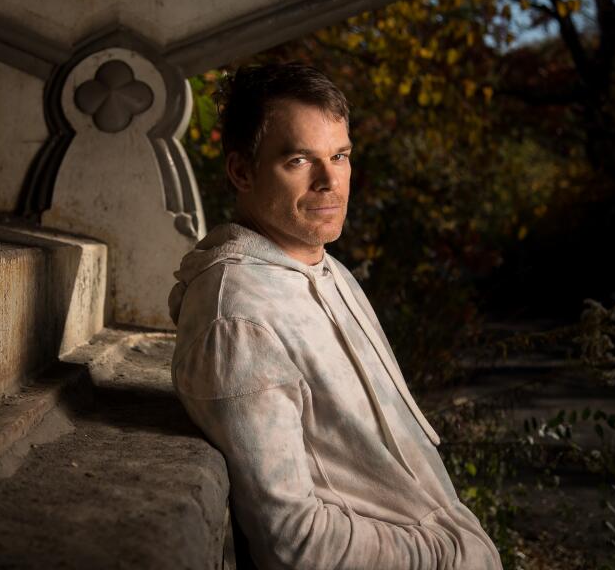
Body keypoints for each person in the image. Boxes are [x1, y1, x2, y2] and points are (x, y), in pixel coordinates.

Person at [168, 63, 502, 570]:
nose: (330, 181)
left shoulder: (325, 266)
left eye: (340, 156)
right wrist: (451, 554)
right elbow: (294, 542)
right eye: (300, 159)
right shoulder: (238, 318)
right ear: (241, 171)